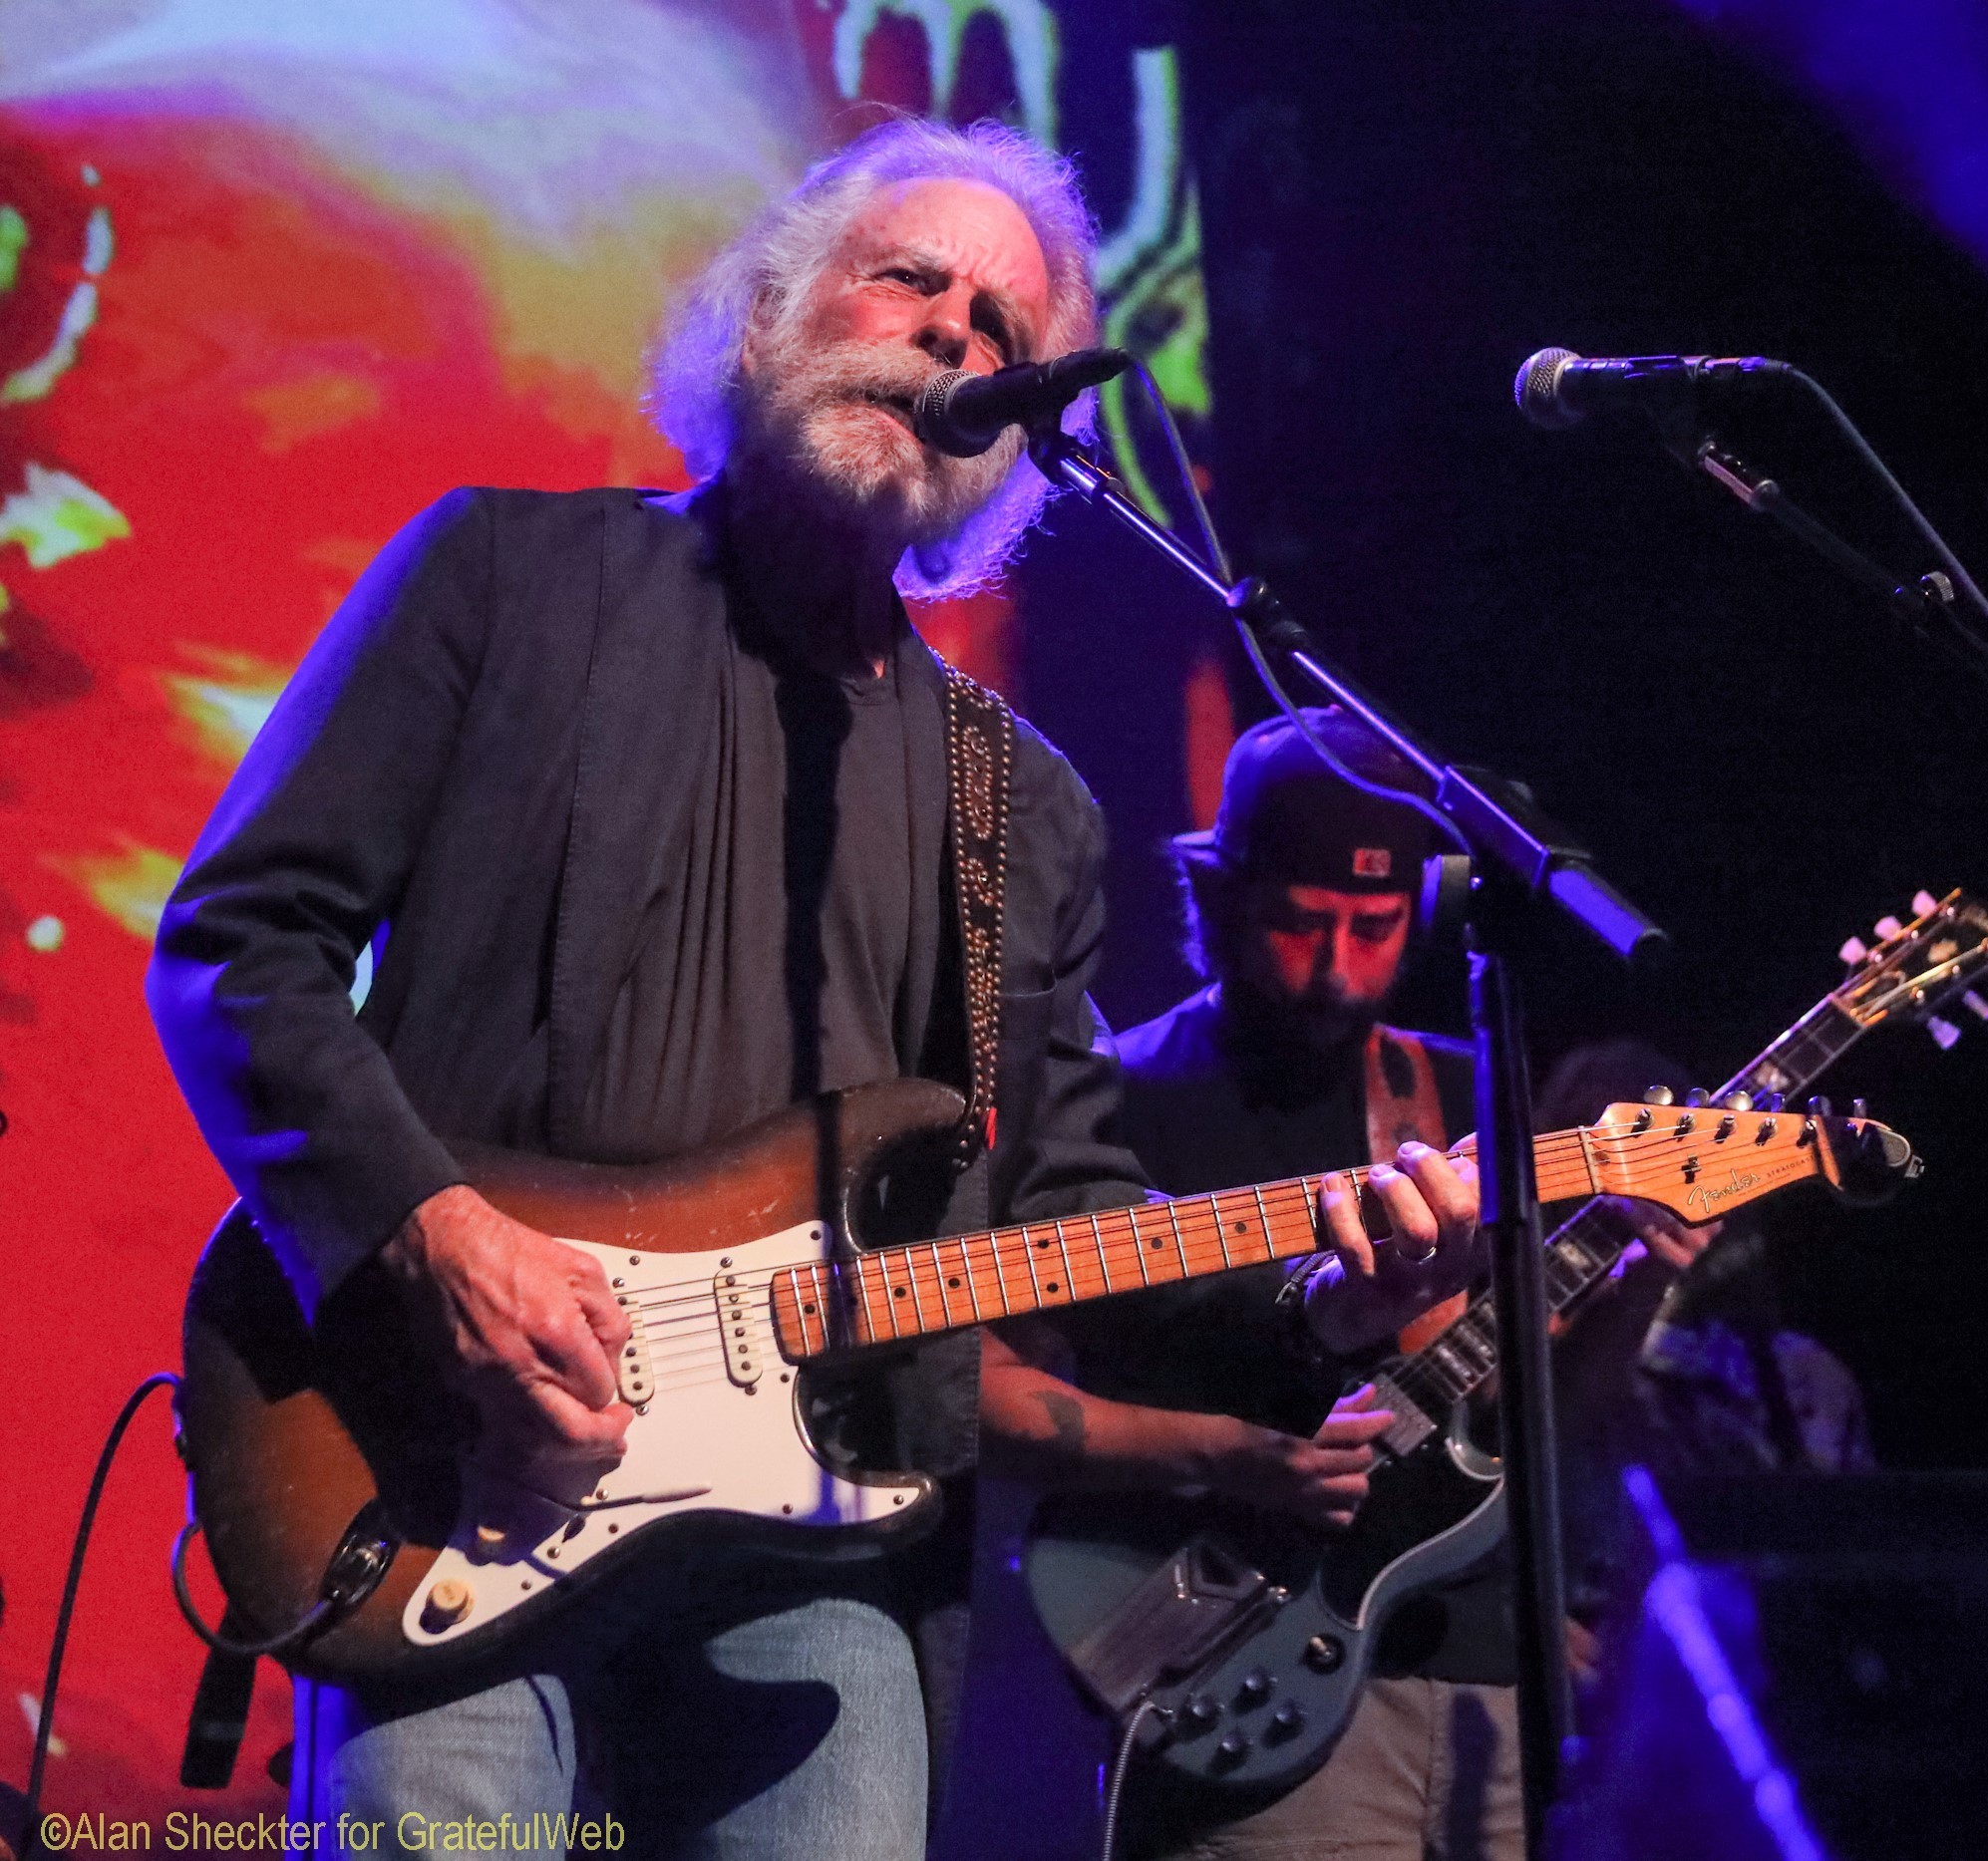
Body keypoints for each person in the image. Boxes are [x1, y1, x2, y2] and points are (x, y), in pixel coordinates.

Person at [149, 123, 1481, 1861]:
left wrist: (1326, 1308)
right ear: (775, 309)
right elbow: (239, 941)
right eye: (909, 276)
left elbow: (1066, 1212)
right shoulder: (499, 575)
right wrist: (436, 1228)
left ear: (1017, 425)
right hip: (443, 1456)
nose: (950, 333)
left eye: (1000, 326)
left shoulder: (1026, 808)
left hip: (825, 1532)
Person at [976, 711, 1697, 1861]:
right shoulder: (1109, 1106)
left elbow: (1537, 1412)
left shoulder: (1464, 1091)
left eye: (1374, 927)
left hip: (1487, 1679)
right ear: (1213, 897)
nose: (1333, 970)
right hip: (1236, 1670)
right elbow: (972, 1393)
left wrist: (1637, 1284)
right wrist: (1219, 1451)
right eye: (1299, 922)